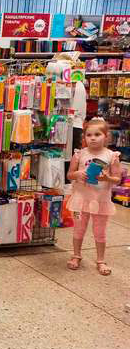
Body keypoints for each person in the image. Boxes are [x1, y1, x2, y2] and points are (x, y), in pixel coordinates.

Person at [66, 118, 121, 275]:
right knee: (78, 229)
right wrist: (78, 174)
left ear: (106, 136)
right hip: (79, 200)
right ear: (84, 137)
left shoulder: (112, 156)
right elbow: (69, 175)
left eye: (97, 134)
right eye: (89, 135)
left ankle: (101, 260)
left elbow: (117, 178)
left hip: (101, 200)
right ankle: (76, 255)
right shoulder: (79, 155)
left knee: (100, 231)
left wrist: (107, 178)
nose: (93, 138)